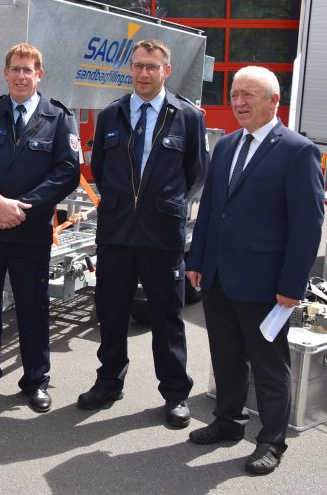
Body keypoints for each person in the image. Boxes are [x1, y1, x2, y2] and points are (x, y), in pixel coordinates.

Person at [186, 66, 324, 474]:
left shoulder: (298, 151)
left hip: (265, 284)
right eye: (234, 95)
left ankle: (271, 441)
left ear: (274, 102)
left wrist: (291, 285)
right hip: (218, 277)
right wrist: (196, 260)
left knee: (268, 366)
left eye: (249, 95)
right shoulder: (225, 146)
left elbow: (307, 224)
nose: (239, 103)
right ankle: (229, 422)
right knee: (225, 357)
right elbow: (211, 210)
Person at [77, 39, 209, 427]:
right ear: (130, 69)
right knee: (112, 312)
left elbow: (196, 173)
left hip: (161, 235)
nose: (143, 73)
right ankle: (108, 382)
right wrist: (125, 202)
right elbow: (100, 168)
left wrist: (165, 204)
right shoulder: (112, 115)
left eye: (152, 66)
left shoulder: (187, 115)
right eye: (137, 66)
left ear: (166, 70)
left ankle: (174, 393)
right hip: (117, 233)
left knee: (167, 317)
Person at [0, 42, 81, 413]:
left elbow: (67, 172)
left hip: (30, 231)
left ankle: (36, 381)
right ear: (6, 73)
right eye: (16, 69)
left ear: (39, 75)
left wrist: (21, 207)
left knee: (32, 307)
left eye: (29, 70)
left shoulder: (59, 118)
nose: (22, 76)